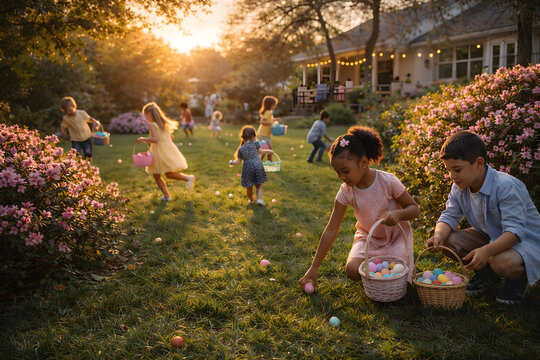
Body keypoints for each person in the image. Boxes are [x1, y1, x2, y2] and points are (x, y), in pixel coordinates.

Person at [424, 131, 540, 305]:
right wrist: (438, 235)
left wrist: (486, 251)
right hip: (491, 236)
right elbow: (449, 215)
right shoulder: (460, 186)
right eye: (448, 170)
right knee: (447, 241)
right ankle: (488, 275)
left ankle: (517, 279)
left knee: (500, 261)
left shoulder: (506, 186)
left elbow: (514, 232)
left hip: (525, 242)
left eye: (457, 169)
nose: (452, 176)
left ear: (479, 163)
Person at [299, 126, 420, 291]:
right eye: (337, 173)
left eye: (345, 171)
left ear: (363, 163)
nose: (342, 177)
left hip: (395, 238)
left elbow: (414, 209)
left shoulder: (388, 182)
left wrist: (398, 214)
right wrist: (314, 268)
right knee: (352, 270)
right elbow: (331, 229)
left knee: (397, 273)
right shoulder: (346, 190)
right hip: (368, 239)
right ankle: (378, 270)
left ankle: (388, 268)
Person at [136, 102, 195, 201]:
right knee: (168, 174)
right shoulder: (163, 124)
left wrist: (143, 139)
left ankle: (167, 196)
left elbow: (155, 139)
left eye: (145, 116)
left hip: (159, 152)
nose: (145, 118)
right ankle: (188, 178)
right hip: (166, 150)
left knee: (157, 176)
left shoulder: (153, 125)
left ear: (149, 114)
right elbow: (170, 137)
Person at [229, 125, 273, 206]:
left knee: (249, 187)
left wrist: (232, 162)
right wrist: (269, 151)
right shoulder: (255, 143)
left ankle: (251, 200)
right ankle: (259, 199)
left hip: (247, 168)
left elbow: (238, 161)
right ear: (253, 136)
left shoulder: (241, 148)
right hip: (257, 165)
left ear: (242, 137)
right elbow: (262, 151)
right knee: (259, 185)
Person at [59, 96, 100, 161]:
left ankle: (88, 166)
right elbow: (62, 126)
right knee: (76, 155)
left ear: (73, 106)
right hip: (75, 140)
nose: (68, 112)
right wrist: (63, 131)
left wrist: (95, 122)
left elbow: (89, 119)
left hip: (86, 138)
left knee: (88, 153)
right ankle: (78, 168)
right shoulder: (66, 118)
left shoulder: (81, 113)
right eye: (66, 111)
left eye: (69, 110)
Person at [257, 95, 280, 162]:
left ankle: (260, 161)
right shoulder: (268, 112)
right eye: (274, 105)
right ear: (269, 105)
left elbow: (268, 120)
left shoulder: (269, 112)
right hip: (264, 134)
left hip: (266, 134)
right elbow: (262, 121)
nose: (275, 106)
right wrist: (271, 123)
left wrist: (274, 120)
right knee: (269, 149)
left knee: (267, 149)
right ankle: (270, 162)